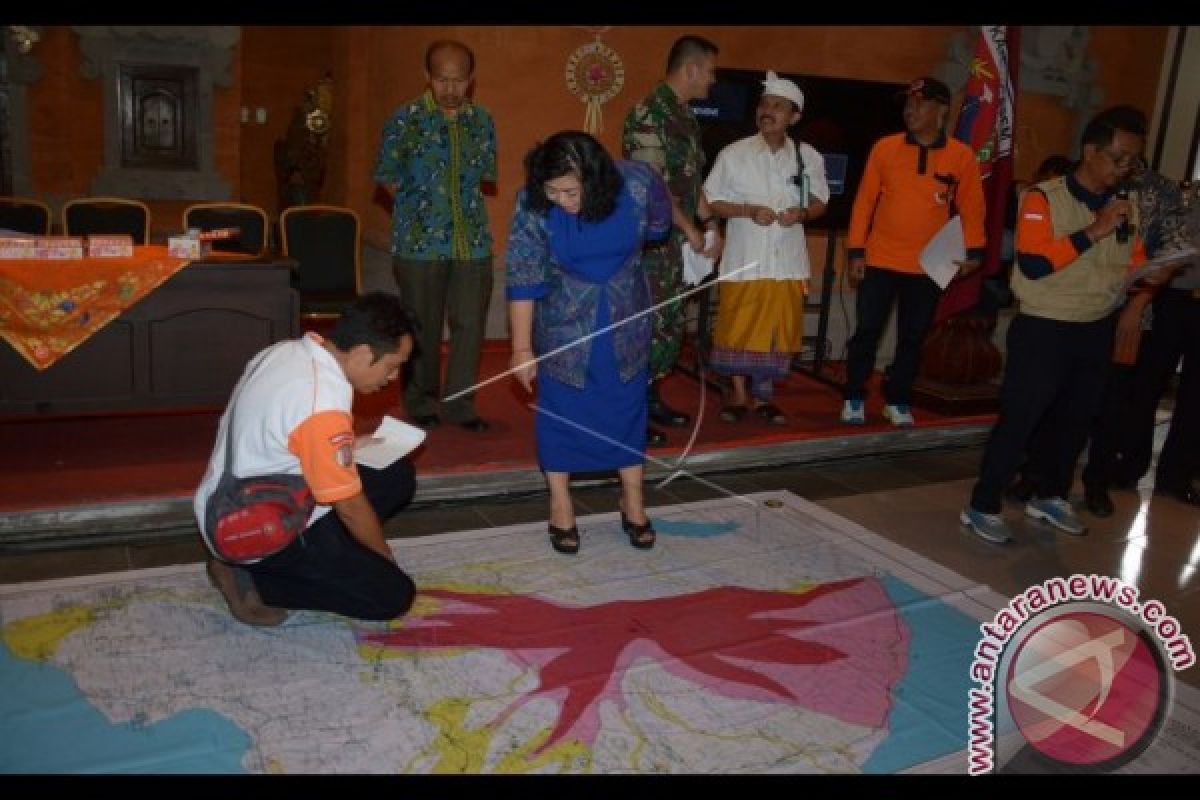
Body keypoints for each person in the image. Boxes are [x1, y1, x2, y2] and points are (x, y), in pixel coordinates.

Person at [960, 105, 1174, 544]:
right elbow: (1036, 265)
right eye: (1118, 157)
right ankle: (982, 505)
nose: (1124, 168)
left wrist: (1152, 273)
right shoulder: (1042, 198)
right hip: (1045, 327)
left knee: (1076, 419)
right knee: (1021, 419)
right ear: (1089, 150)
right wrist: (1093, 230)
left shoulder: (1124, 208)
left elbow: (1129, 264)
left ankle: (1050, 495)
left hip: (1095, 326)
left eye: (1132, 160)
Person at [194, 292, 419, 626]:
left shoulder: (290, 351)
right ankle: (252, 577)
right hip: (254, 524)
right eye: (392, 366)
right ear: (362, 353)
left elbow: (283, 432)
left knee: (395, 474)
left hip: (235, 495)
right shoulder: (322, 404)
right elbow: (350, 507)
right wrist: (383, 556)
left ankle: (328, 556)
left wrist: (348, 446)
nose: (392, 378)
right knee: (391, 595)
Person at [506, 131, 672, 555]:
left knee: (627, 407)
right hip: (565, 323)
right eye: (553, 190)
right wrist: (522, 350)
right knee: (561, 413)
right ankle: (560, 503)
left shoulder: (637, 184)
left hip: (625, 318)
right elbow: (523, 276)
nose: (561, 199)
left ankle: (632, 499)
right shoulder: (532, 203)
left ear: (594, 179)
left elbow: (659, 225)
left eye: (570, 190)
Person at [842, 76, 987, 427]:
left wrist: (975, 252)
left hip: (928, 265)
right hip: (880, 258)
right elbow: (864, 202)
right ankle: (854, 396)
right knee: (867, 332)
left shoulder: (962, 156)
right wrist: (856, 251)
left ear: (942, 110)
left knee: (914, 336)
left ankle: (898, 398)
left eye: (920, 103)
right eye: (908, 103)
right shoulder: (885, 148)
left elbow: (972, 207)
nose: (911, 109)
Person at [374, 39, 496, 434]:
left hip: (471, 242)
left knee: (469, 325)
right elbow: (387, 180)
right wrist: (420, 216)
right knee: (421, 325)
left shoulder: (482, 121)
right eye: (442, 79)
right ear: (427, 77)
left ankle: (461, 404)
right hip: (419, 244)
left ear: (470, 80)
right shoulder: (403, 120)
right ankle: (421, 400)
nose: (450, 89)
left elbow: (485, 178)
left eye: (458, 80)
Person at [702, 71, 829, 425]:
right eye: (764, 104)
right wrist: (747, 211)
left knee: (776, 333)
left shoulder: (808, 157)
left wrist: (800, 213)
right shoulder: (734, 154)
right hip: (745, 259)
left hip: (787, 262)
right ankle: (739, 394)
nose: (767, 111)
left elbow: (820, 202)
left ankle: (763, 396)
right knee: (738, 330)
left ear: (794, 116)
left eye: (778, 106)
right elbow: (711, 201)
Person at [622, 34, 724, 447]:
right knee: (642, 327)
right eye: (711, 72)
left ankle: (651, 397)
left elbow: (690, 180)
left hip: (675, 247)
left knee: (666, 327)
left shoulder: (686, 116)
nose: (713, 81)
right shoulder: (649, 113)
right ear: (692, 69)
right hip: (649, 245)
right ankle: (631, 414)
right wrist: (691, 230)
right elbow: (654, 187)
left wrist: (710, 222)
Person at [1088, 164, 1200, 510]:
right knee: (1145, 385)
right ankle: (1126, 467)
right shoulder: (1186, 195)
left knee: (1196, 397)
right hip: (1173, 299)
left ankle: (1176, 477)